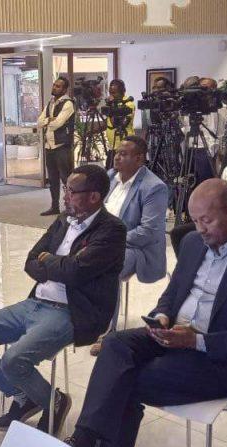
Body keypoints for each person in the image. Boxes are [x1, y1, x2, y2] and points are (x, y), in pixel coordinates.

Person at [64, 179, 227, 447]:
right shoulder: (193, 242)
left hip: (220, 359)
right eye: (195, 220)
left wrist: (196, 341)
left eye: (207, 220)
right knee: (115, 344)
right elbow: (173, 293)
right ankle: (85, 440)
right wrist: (162, 316)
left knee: (125, 381)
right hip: (173, 336)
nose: (200, 228)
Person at [0, 165, 126, 436]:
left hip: (72, 311)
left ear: (94, 197)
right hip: (36, 303)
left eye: (71, 191)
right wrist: (56, 264)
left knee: (13, 360)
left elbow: (75, 272)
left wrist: (51, 262)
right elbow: (31, 260)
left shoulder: (112, 230)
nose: (65, 196)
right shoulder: (64, 219)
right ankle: (26, 396)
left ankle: (53, 402)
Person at [88, 136, 169, 355]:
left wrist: (110, 241)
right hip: (102, 242)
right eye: (117, 153)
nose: (117, 157)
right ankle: (84, 318)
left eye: (123, 154)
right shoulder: (110, 177)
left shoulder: (154, 187)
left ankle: (107, 332)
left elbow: (148, 231)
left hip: (136, 248)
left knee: (107, 269)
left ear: (140, 159)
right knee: (72, 257)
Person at [38, 77, 76, 216]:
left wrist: (48, 121)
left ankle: (72, 207)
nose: (54, 87)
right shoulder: (51, 103)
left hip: (62, 146)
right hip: (49, 146)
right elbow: (39, 122)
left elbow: (57, 124)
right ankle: (54, 207)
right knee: (53, 179)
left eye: (58, 86)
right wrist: (49, 119)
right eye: (54, 85)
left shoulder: (68, 104)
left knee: (67, 179)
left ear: (64, 89)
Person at [102, 79, 136, 169]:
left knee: (120, 170)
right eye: (110, 93)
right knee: (110, 170)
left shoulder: (128, 104)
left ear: (123, 91)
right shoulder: (112, 103)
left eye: (114, 93)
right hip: (112, 144)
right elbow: (108, 123)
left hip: (124, 143)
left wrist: (111, 107)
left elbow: (117, 124)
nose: (111, 96)